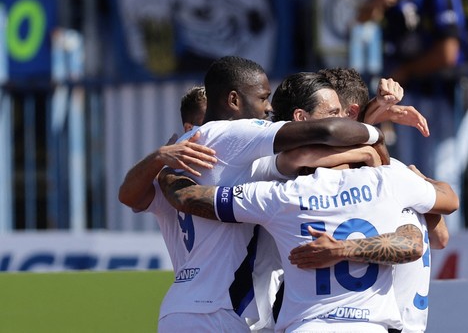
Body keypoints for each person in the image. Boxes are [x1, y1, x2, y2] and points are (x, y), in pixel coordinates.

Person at [119, 56, 389, 332]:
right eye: (262, 97)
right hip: (221, 311)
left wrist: (157, 160)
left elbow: (128, 196)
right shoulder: (234, 132)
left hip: (179, 309)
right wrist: (373, 135)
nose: (268, 107)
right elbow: (326, 131)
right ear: (234, 100)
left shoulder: (182, 152)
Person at [156, 158, 459, 332]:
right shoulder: (392, 179)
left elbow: (188, 198)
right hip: (375, 326)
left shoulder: (283, 192)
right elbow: (425, 239)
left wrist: (165, 167)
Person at [316, 67, 447, 332]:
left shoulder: (330, 182)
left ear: (348, 113)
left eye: (327, 114)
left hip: (377, 323)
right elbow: (441, 236)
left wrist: (376, 111)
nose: (313, 127)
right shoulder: (403, 176)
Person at [358, 0, 467, 233]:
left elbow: (448, 53)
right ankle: (417, 238)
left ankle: (451, 245)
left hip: (444, 95)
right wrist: (376, 6)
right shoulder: (390, 0)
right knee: (409, 170)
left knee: (443, 173)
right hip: (410, 98)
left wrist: (404, 72)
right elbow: (358, 24)